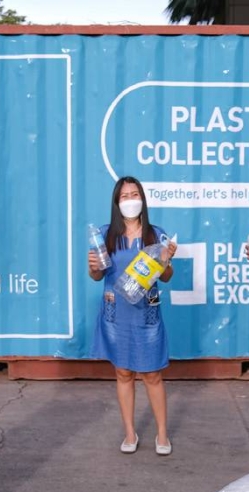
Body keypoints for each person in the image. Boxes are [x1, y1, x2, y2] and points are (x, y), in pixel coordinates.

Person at [89, 176, 178, 455]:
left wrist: (165, 260)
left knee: (151, 374)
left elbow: (166, 277)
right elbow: (96, 276)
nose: (130, 200)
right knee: (123, 372)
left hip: (146, 312)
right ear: (117, 202)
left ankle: (162, 434)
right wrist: (92, 266)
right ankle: (130, 433)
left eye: (135, 194)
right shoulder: (105, 234)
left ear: (143, 199)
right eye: (125, 196)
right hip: (116, 313)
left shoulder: (155, 234)